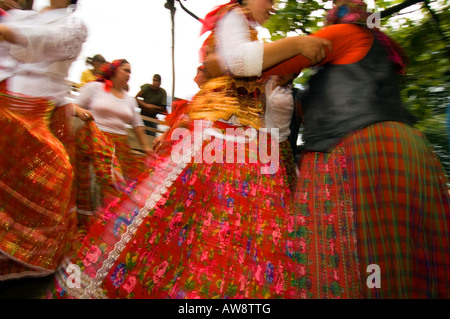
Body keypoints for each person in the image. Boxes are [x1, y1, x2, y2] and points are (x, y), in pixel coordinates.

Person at [50, 0, 331, 299]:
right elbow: (240, 62)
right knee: (180, 223)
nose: (272, 6)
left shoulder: (250, 33)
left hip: (242, 140)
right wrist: (298, 42)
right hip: (218, 136)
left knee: (218, 232)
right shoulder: (234, 15)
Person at [261, 0, 450, 299]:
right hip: (404, 146)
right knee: (397, 252)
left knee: (347, 252)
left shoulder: (344, 33)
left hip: (358, 147)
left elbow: (269, 64)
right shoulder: (378, 47)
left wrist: (233, 57)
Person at [0, 0, 87, 280]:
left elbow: (49, 43)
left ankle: (22, 252)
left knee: (54, 177)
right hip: (7, 104)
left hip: (33, 114)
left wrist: (6, 31)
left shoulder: (74, 23)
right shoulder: (25, 15)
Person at [73, 59, 152, 234]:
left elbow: (137, 124)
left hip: (118, 147)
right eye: (125, 70)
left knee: (117, 186)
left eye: (130, 71)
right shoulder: (95, 88)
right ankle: (83, 225)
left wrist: (146, 147)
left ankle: (104, 226)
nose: (128, 74)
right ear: (114, 71)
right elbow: (74, 105)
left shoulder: (130, 100)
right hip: (93, 140)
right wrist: (81, 113)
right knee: (89, 183)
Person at [264, 72, 300, 195]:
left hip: (281, 149)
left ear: (293, 74)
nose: (282, 72)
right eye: (281, 68)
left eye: (288, 69)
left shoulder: (295, 96)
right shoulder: (260, 84)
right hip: (258, 146)